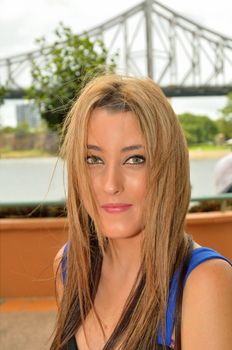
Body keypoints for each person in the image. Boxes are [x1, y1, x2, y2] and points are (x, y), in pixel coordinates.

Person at [50, 75, 232, 350]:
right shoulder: (69, 266)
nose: (110, 185)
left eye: (135, 159)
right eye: (94, 159)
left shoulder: (204, 283)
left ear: (168, 167)